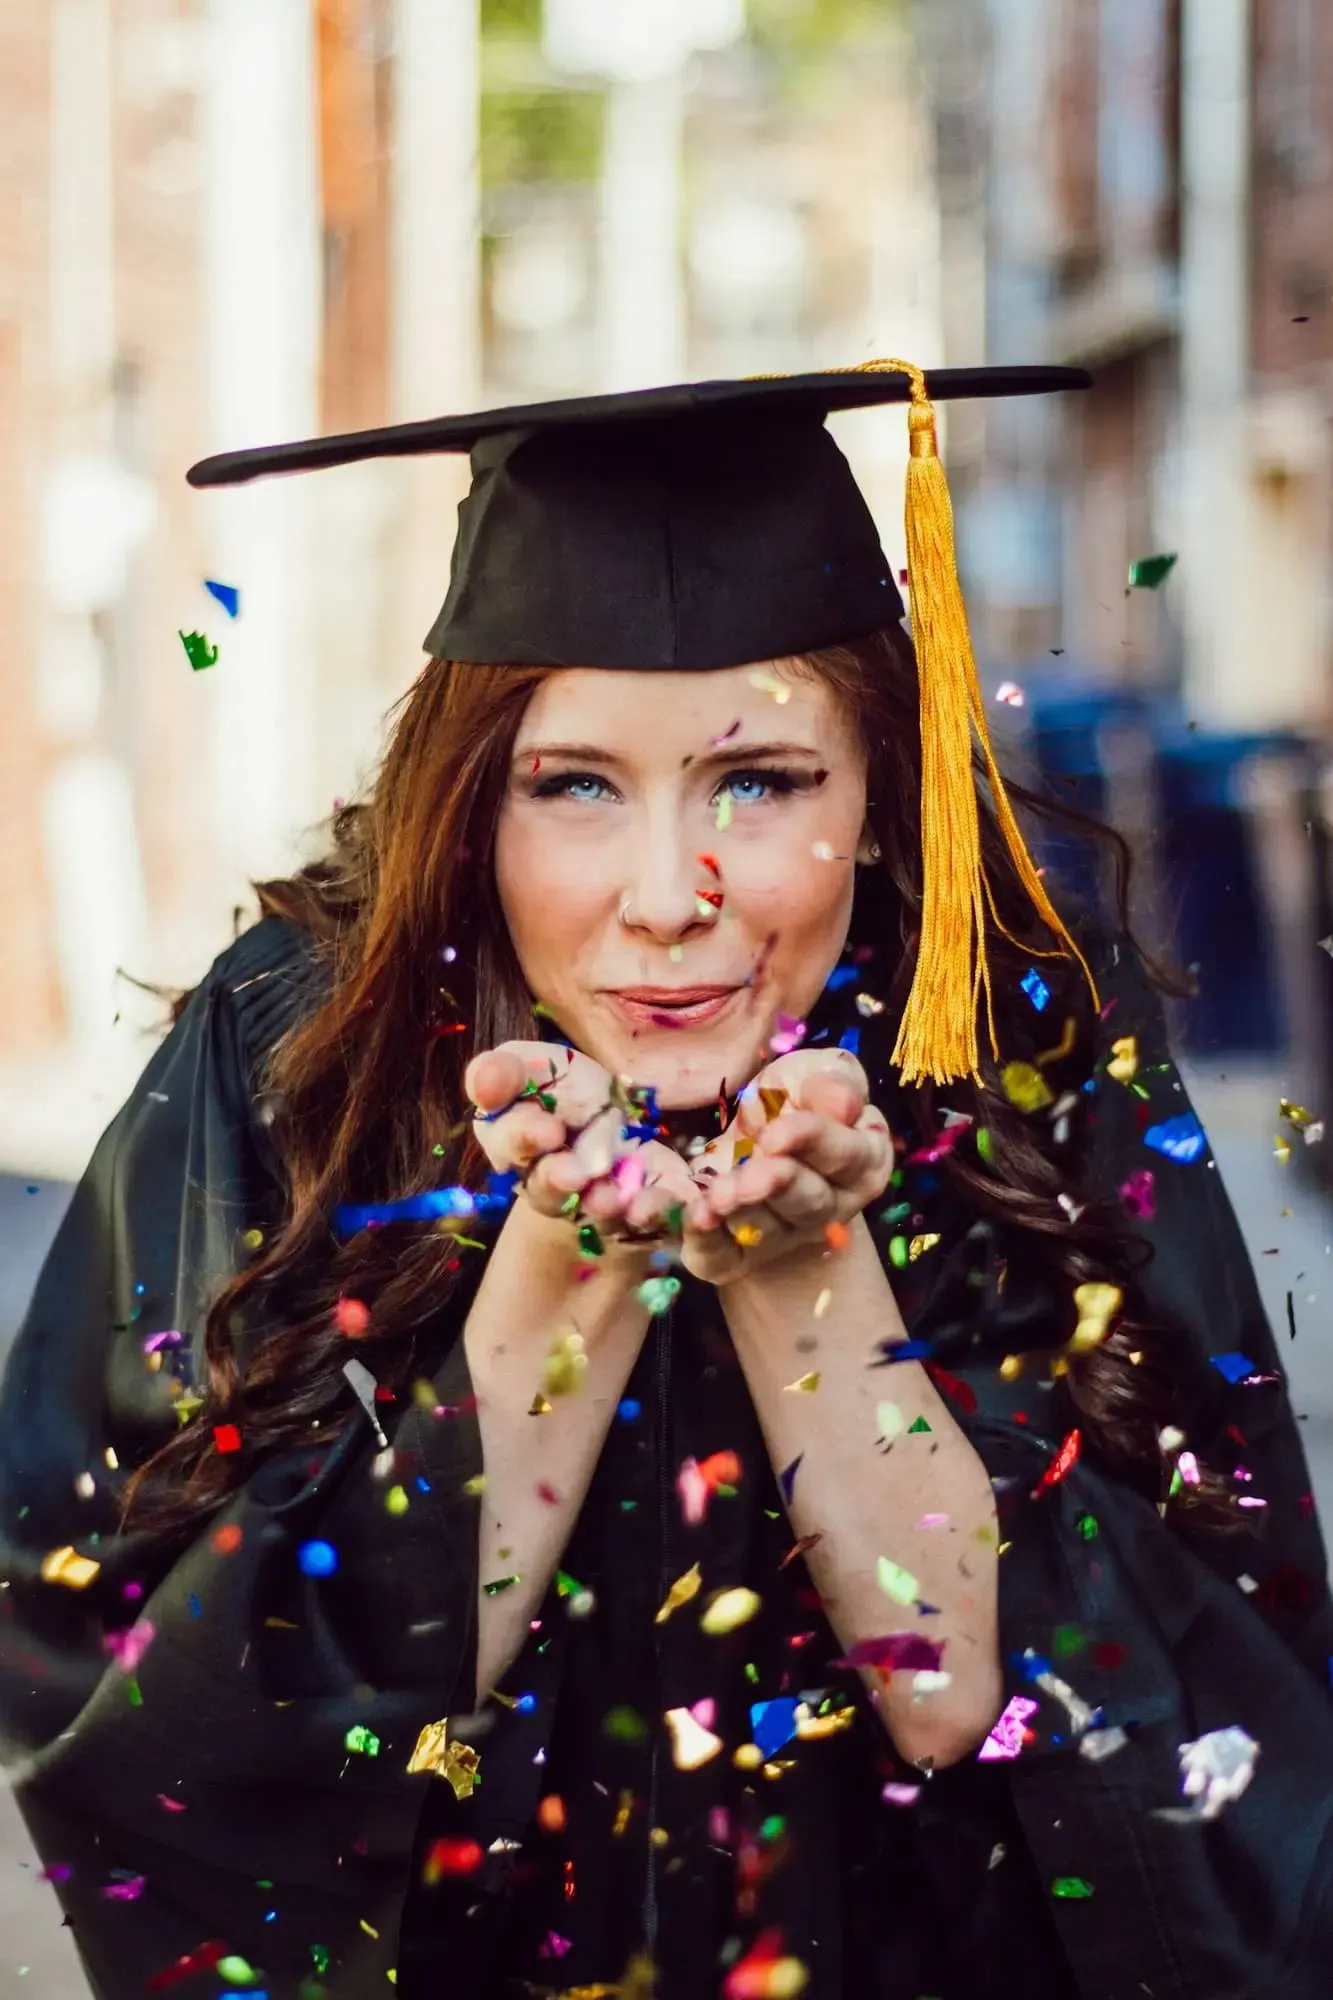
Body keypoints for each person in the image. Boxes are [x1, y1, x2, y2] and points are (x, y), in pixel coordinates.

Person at [3, 361, 1333, 2000]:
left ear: (880, 783)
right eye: (575, 786)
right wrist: (562, 1277)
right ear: (475, 797)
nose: (664, 897)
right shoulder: (297, 1047)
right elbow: (153, 1732)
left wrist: (804, 1272)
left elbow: (1077, 1731)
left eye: (762, 782)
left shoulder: (1017, 1045)